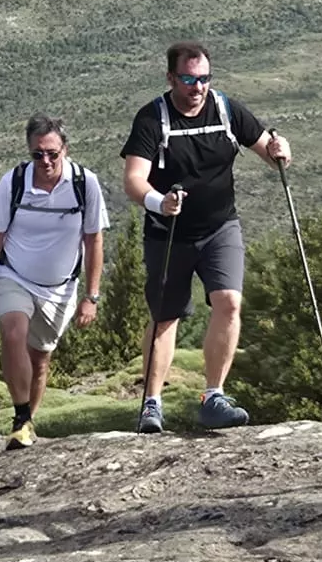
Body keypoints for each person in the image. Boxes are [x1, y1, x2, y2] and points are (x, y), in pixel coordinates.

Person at [121, 41, 292, 433]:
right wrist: (158, 202)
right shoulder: (152, 118)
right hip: (169, 233)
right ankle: (151, 402)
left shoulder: (226, 109)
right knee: (165, 317)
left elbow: (269, 150)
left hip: (220, 227)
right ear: (170, 78)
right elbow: (133, 180)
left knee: (230, 302)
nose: (197, 87)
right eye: (188, 79)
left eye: (203, 79)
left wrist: (281, 151)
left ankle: (213, 396)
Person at [0, 116, 109, 449]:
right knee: (13, 332)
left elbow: (94, 240)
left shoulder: (85, 183)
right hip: (14, 275)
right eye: (37, 154)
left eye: (52, 154)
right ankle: (19, 416)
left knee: (40, 358)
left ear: (65, 150)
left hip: (60, 289)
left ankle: (28, 423)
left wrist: (92, 296)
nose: (45, 161)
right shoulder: (13, 183)